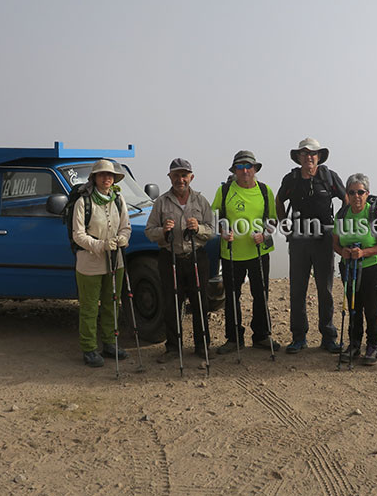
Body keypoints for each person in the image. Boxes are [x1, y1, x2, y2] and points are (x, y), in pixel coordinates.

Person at [275, 137, 346, 354]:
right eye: (304, 153)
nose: (309, 157)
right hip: (299, 240)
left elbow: (346, 200)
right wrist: (284, 225)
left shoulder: (329, 177)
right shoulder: (291, 179)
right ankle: (299, 337)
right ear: (298, 157)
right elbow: (279, 201)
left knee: (325, 290)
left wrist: (339, 228)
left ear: (319, 156)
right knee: (297, 290)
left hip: (324, 239)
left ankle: (328, 337)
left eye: (313, 153)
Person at [145, 158, 215, 361]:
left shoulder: (201, 201)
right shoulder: (161, 202)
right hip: (170, 258)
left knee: (200, 302)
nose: (180, 179)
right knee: (171, 303)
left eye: (184, 175)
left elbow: (211, 230)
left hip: (197, 257)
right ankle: (173, 348)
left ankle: (202, 346)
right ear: (170, 177)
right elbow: (149, 231)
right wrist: (162, 231)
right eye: (176, 175)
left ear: (191, 177)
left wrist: (198, 228)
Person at [212, 150, 280, 354]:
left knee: (261, 294)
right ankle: (234, 338)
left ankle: (261, 336)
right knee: (232, 296)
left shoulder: (265, 190)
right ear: (234, 170)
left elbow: (273, 219)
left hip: (259, 252)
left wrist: (264, 235)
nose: (244, 171)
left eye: (248, 166)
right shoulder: (224, 191)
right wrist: (223, 231)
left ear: (255, 169)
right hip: (231, 253)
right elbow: (214, 217)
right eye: (240, 167)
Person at [71, 159, 132, 367]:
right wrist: (101, 245)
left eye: (110, 175)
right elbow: (78, 235)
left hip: (115, 261)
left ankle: (110, 343)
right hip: (89, 262)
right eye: (102, 174)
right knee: (89, 307)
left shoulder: (118, 199)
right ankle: (89, 348)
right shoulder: (83, 202)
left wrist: (123, 238)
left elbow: (125, 226)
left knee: (112, 303)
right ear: (94, 178)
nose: (106, 178)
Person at [333, 173, 377, 365]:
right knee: (353, 308)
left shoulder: (375, 214)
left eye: (360, 192)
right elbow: (335, 243)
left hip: (372, 269)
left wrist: (363, 252)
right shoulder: (342, 215)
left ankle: (373, 346)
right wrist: (343, 252)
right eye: (352, 192)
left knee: (371, 310)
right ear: (347, 194)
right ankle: (354, 344)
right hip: (349, 268)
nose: (356, 196)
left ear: (367, 194)